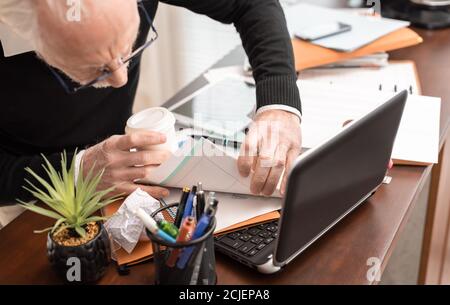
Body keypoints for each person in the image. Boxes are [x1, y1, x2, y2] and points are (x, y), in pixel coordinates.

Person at [0, 0, 302, 210]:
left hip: (127, 166)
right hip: (26, 193)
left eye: (127, 48)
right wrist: (77, 172)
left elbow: (249, 3)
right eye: (96, 70)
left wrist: (278, 105)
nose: (121, 79)